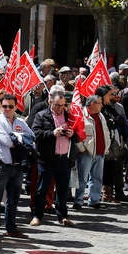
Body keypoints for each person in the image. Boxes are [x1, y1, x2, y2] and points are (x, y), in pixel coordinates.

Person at [0, 94, 34, 241]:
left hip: (18, 166)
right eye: (4, 106)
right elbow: (7, 141)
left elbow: (31, 138)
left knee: (13, 199)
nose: (7, 109)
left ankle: (11, 228)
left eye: (10, 106)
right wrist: (20, 139)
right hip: (2, 166)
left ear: (16, 107)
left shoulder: (20, 121)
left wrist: (17, 138)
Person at [32, 89, 76, 227]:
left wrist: (72, 134)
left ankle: (63, 215)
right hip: (47, 159)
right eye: (57, 105)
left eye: (62, 105)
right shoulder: (41, 115)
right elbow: (36, 133)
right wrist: (52, 133)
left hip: (64, 158)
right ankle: (37, 215)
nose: (59, 108)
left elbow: (79, 135)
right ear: (51, 102)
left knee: (63, 189)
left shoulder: (69, 116)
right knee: (42, 189)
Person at [73, 96, 110, 210]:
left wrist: (106, 146)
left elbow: (106, 132)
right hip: (86, 153)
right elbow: (76, 134)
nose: (101, 105)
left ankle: (94, 200)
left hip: (100, 152)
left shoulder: (101, 115)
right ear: (91, 105)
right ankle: (78, 201)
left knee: (97, 178)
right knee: (82, 178)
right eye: (99, 103)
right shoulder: (82, 115)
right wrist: (81, 148)